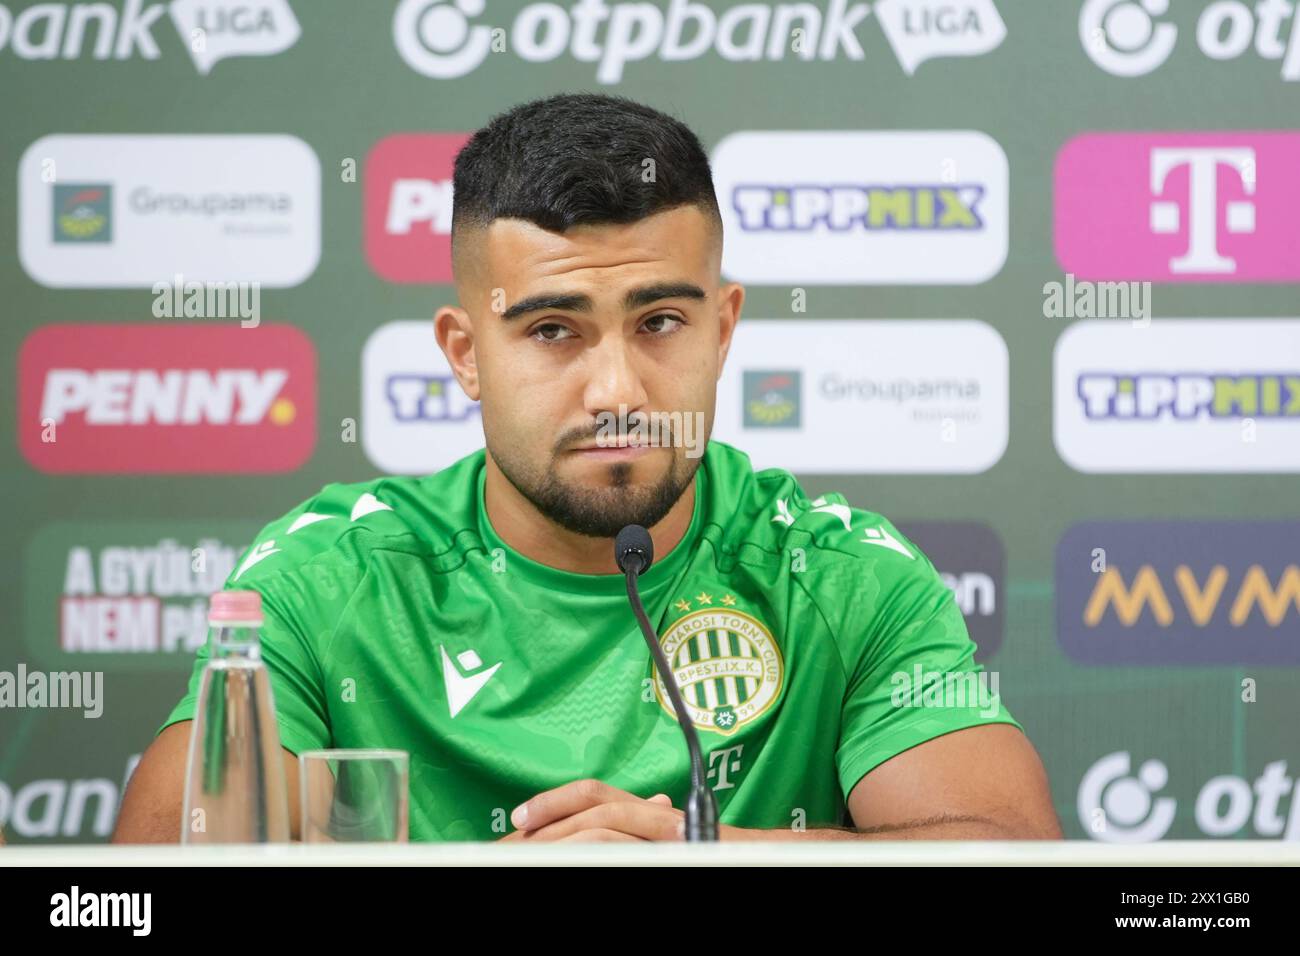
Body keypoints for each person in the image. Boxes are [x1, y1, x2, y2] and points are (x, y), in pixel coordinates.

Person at [114, 93, 1060, 843]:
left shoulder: (844, 577)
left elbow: (1009, 854)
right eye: (553, 330)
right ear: (465, 353)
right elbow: (149, 891)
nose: (618, 391)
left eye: (660, 323)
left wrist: (695, 853)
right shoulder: (323, 582)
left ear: (722, 329)